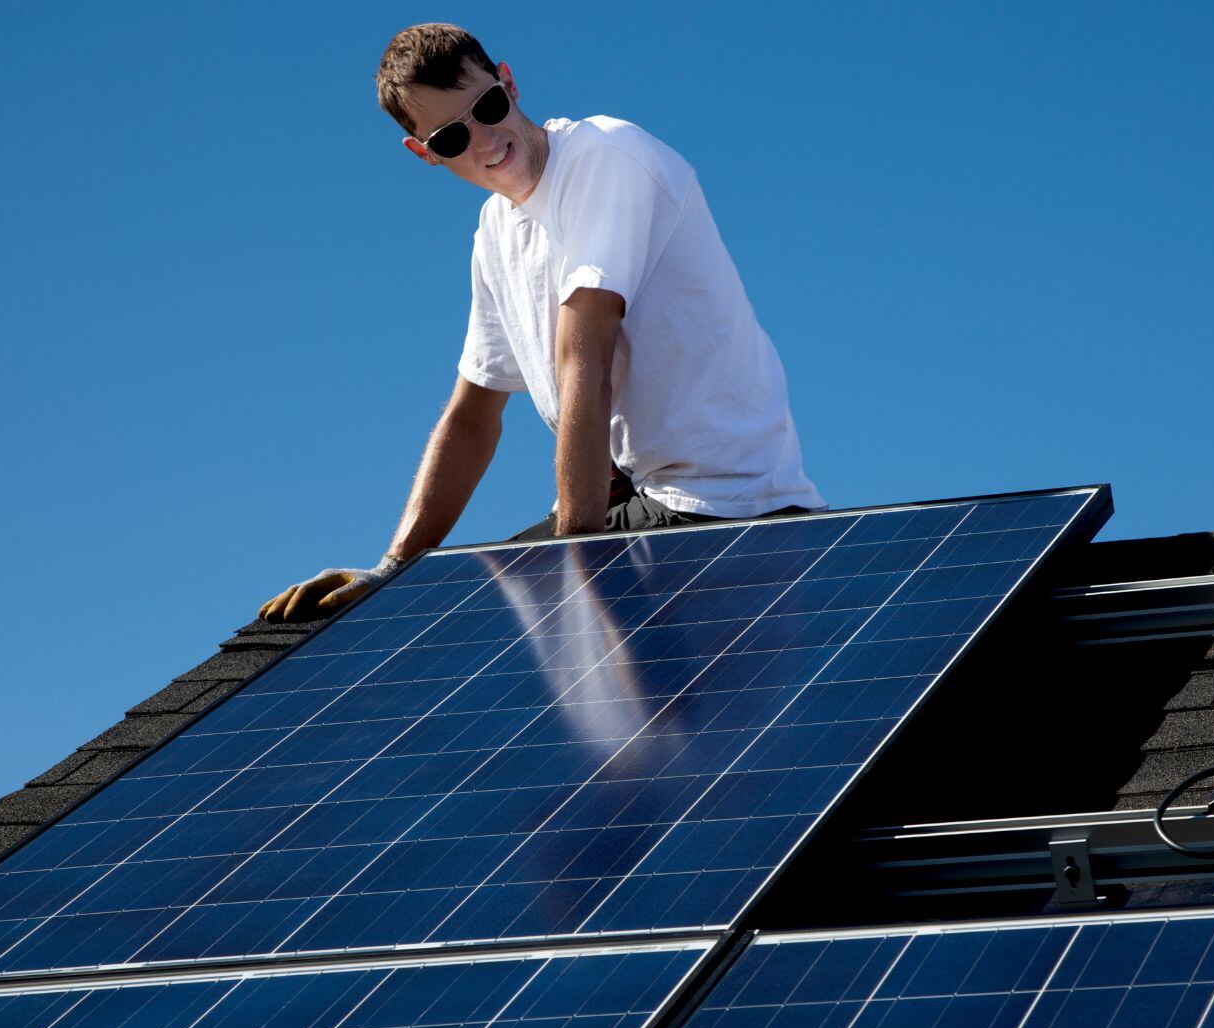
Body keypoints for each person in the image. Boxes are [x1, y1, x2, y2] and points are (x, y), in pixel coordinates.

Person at [260, 24, 823, 624]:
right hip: (636, 506)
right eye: (452, 137)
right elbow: (472, 416)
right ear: (424, 154)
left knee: (493, 632)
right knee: (431, 619)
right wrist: (394, 568)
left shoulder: (604, 158)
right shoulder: (495, 235)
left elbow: (584, 357)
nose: (483, 139)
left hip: (726, 508)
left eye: (488, 107)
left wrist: (580, 563)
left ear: (508, 80)